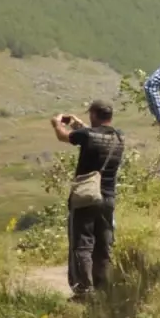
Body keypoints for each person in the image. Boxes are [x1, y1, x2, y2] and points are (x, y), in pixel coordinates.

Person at [52, 100, 124, 297]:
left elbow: (63, 136)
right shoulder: (119, 137)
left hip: (86, 196)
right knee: (103, 243)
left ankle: (83, 290)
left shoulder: (87, 135)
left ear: (93, 114)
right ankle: (103, 287)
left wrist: (57, 123)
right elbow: (96, 135)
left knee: (82, 242)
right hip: (108, 197)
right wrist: (78, 123)